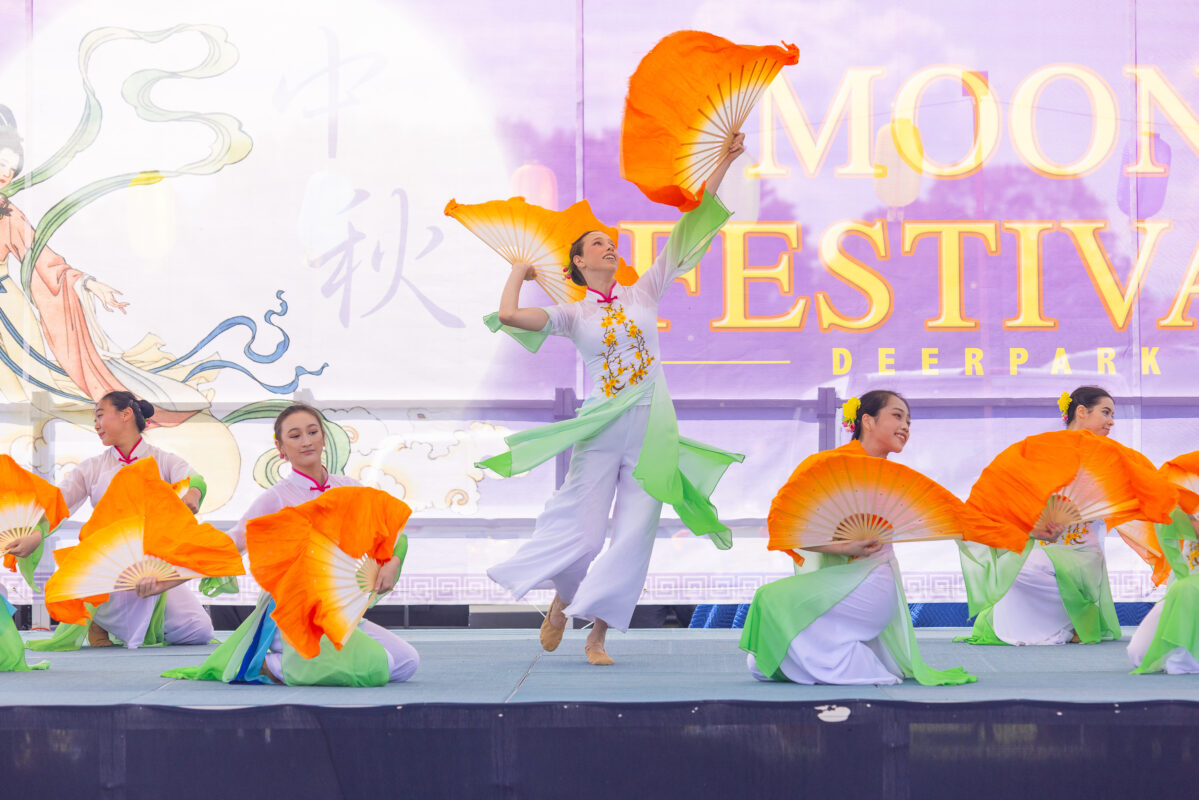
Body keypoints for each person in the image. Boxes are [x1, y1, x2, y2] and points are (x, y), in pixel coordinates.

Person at [481, 134, 746, 665]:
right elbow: (509, 317)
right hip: (602, 432)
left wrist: (723, 160)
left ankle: (597, 635)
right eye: (596, 244)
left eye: (610, 242)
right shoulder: (571, 314)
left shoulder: (643, 292)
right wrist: (520, 269)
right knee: (582, 533)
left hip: (653, 431)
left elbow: (689, 227)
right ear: (578, 263)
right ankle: (561, 601)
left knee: (632, 535)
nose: (609, 247)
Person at [741, 390, 1020, 685]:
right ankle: (837, 659)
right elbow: (790, 527)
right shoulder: (826, 465)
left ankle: (857, 666)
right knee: (759, 661)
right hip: (837, 581)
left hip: (873, 582)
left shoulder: (894, 478)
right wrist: (847, 546)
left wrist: (1025, 531)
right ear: (867, 420)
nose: (906, 427)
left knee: (771, 599)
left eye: (909, 422)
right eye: (897, 416)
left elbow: (965, 519)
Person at [164, 403, 418, 686]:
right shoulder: (276, 498)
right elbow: (232, 544)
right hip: (289, 612)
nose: (306, 441)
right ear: (281, 447)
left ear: (324, 438)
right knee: (372, 664)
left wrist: (393, 563)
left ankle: (285, 664)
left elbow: (393, 534)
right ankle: (266, 662)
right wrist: (167, 579)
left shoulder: (350, 488)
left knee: (406, 662)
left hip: (336, 611)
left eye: (312, 432)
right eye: (295, 436)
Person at [11, 391, 212, 650]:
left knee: (197, 630)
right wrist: (34, 536)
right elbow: (59, 504)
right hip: (106, 566)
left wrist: (192, 496)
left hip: (150, 565)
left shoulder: (162, 459)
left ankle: (119, 620)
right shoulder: (93, 467)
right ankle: (101, 617)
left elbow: (195, 479)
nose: (95, 424)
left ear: (125, 414)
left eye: (100, 415)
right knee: (120, 612)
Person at [957, 386, 1123, 646]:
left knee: (1078, 561)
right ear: (1081, 411)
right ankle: (1068, 621)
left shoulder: (1108, 456)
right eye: (1105, 412)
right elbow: (1014, 499)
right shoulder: (1043, 449)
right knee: (1016, 570)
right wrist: (1036, 524)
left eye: (1112, 414)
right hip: (1044, 541)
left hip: (1084, 547)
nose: (1111, 421)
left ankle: (1076, 618)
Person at [1128, 504, 1199, 674]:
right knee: (1140, 655)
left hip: (1189, 588)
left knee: (1182, 663)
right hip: (1186, 585)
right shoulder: (1185, 490)